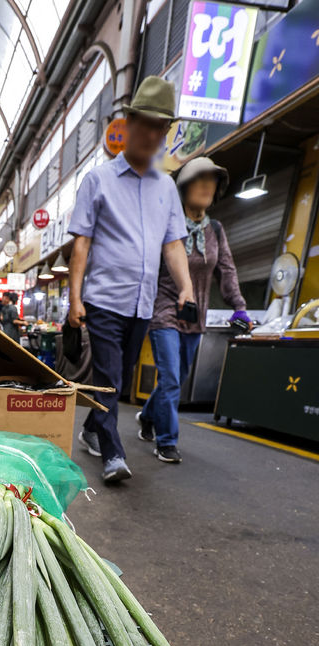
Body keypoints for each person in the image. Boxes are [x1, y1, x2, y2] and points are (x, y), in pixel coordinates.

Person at [68, 76, 195, 484]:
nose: (152, 134)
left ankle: (91, 428)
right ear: (128, 122)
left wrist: (187, 287)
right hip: (104, 298)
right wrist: (75, 298)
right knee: (107, 378)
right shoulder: (98, 180)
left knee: (115, 381)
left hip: (142, 303)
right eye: (145, 123)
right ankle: (113, 454)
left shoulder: (167, 189)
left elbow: (173, 246)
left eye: (161, 127)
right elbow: (82, 244)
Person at [138, 156, 251, 463]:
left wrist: (239, 307)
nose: (206, 186)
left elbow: (227, 270)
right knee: (171, 377)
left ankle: (148, 415)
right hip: (164, 311)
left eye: (211, 180)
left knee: (175, 379)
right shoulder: (166, 224)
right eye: (199, 180)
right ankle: (167, 441)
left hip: (195, 316)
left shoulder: (215, 229)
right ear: (184, 188)